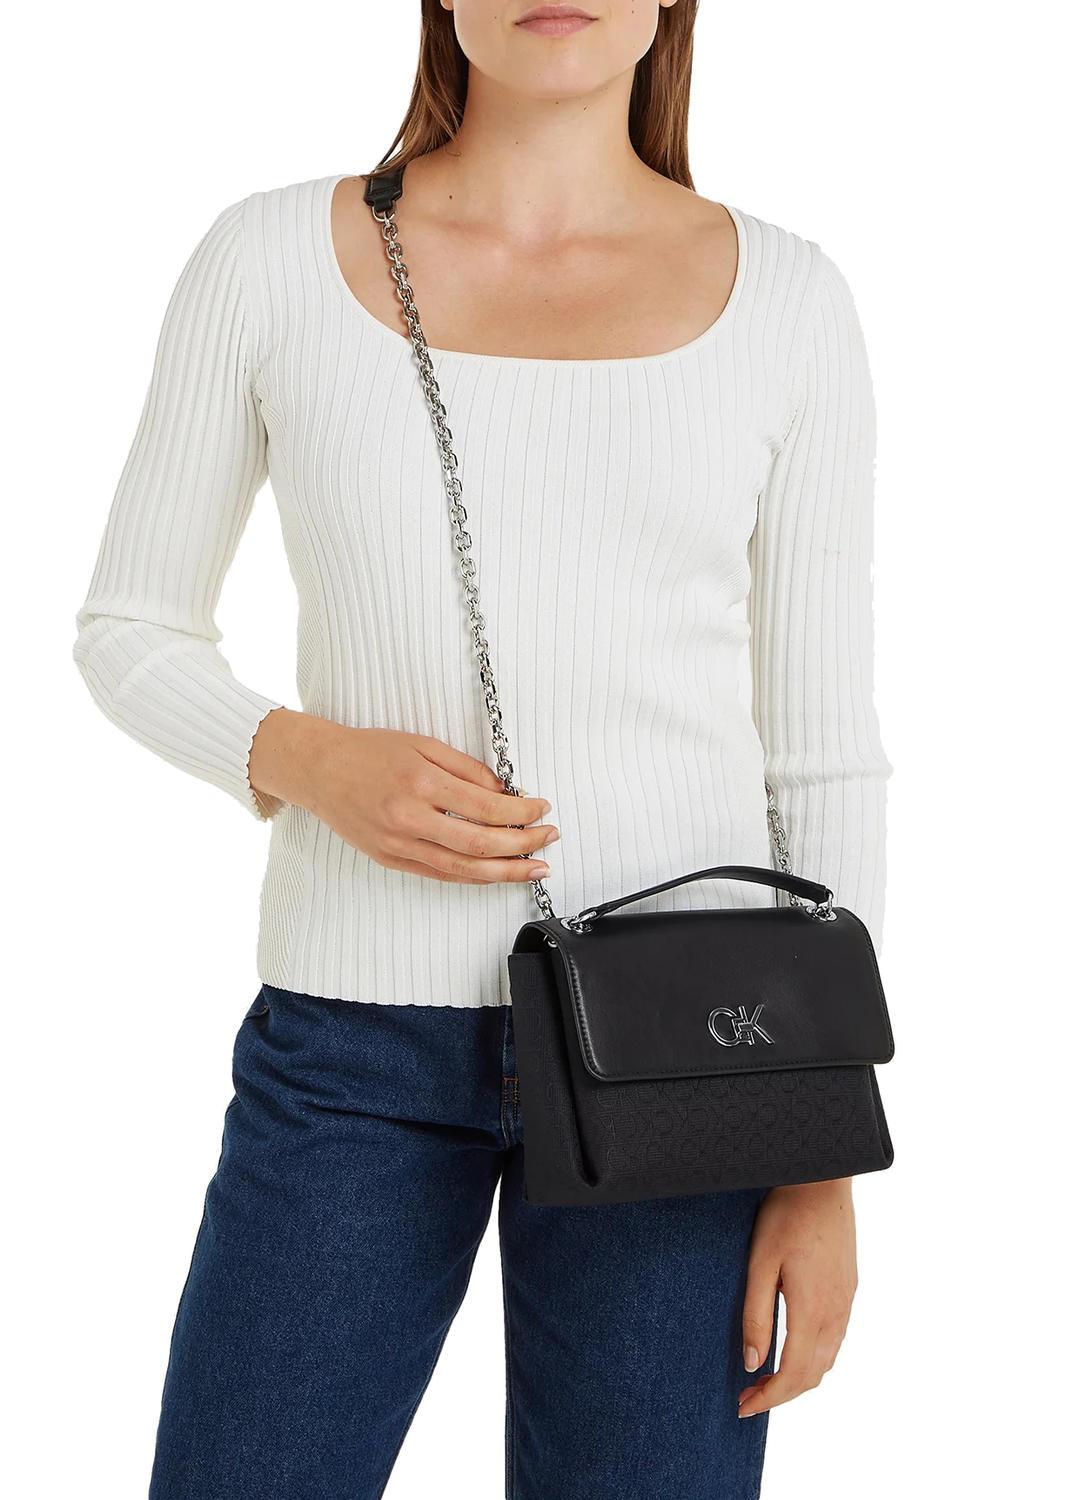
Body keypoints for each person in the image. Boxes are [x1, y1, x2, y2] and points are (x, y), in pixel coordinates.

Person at [72, 2, 893, 1495]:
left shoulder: (787, 299)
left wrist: (820, 1151)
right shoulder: (268, 258)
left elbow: (822, 756)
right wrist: (306, 758)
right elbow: (129, 627)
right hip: (352, 1047)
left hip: (694, 1058)